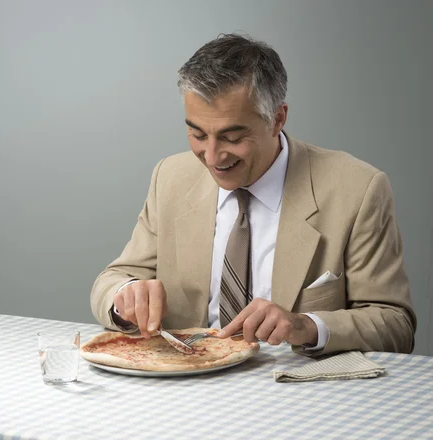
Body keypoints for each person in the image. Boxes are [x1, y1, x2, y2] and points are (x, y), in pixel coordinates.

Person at [90, 33, 416, 355]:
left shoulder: (358, 189)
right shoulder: (170, 178)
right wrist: (126, 293)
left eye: (232, 137)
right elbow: (113, 279)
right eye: (197, 134)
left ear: (277, 119)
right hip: (186, 387)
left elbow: (394, 324)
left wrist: (307, 325)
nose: (213, 156)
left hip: (297, 391)